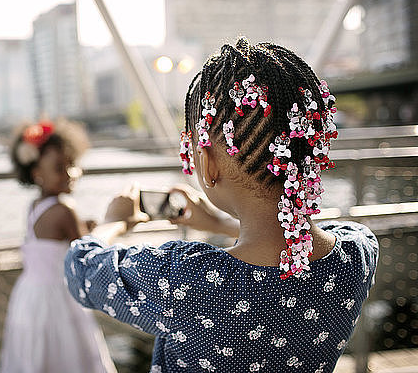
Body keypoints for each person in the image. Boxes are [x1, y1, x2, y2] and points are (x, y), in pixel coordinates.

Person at [64, 38, 379, 373]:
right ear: (310, 149)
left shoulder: (187, 280)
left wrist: (114, 221)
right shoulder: (357, 255)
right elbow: (298, 242)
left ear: (207, 163)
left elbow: (79, 269)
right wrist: (221, 224)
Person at [0, 120, 116, 373]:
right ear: (37, 174)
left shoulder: (34, 207)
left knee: (37, 356)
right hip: (58, 299)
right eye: (60, 168)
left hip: (30, 296)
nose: (70, 173)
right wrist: (116, 224)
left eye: (71, 164)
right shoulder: (64, 209)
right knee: (71, 356)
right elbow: (89, 253)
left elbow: (55, 238)